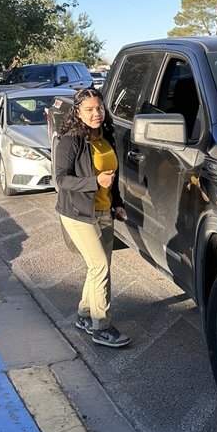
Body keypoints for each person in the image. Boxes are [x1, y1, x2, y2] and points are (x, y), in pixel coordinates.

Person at [54, 87, 131, 348]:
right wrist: (94, 182)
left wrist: (117, 203)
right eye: (89, 109)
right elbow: (61, 179)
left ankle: (85, 315)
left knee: (98, 267)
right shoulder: (71, 140)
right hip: (78, 214)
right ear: (77, 112)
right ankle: (102, 327)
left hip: (103, 210)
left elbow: (113, 175)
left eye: (99, 107)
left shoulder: (104, 134)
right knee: (100, 266)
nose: (96, 113)